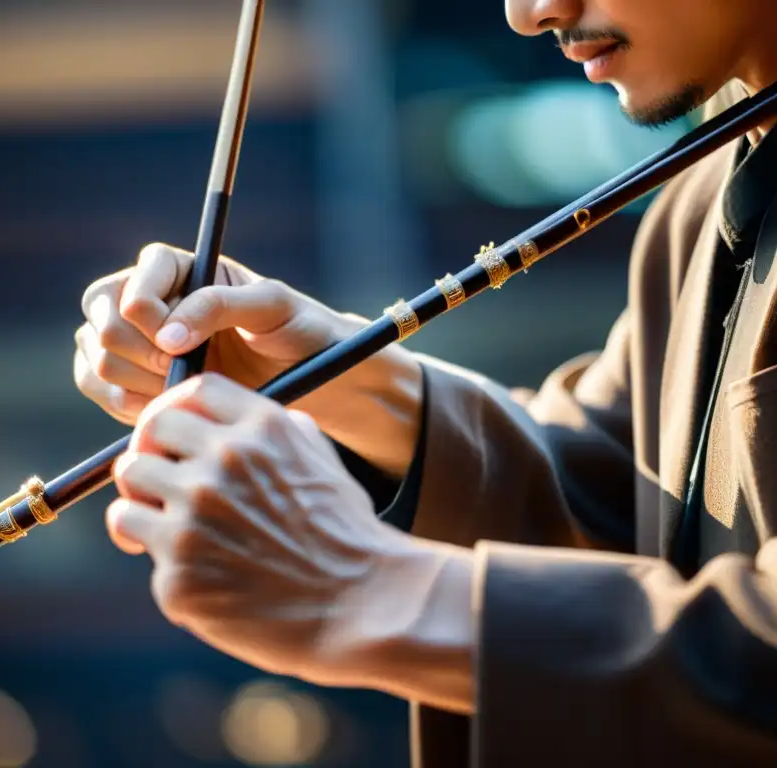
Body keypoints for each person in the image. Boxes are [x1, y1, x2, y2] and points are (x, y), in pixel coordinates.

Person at [73, 1, 777, 765]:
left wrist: (374, 590)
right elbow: (625, 494)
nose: (532, 13)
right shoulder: (706, 188)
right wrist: (331, 377)